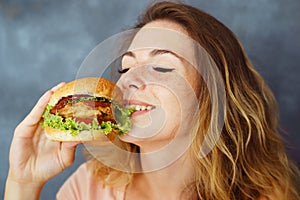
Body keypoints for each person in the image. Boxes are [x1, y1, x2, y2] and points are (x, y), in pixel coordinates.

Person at [4, 1, 300, 200]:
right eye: (126, 67)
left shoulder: (269, 195)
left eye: (161, 67)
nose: (129, 80)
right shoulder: (90, 187)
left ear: (214, 92)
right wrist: (24, 183)